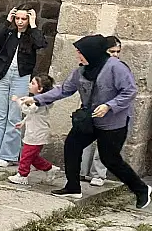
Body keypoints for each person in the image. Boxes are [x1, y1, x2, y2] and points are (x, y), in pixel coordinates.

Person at [23, 34, 150, 208]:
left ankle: (142, 190)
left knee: (110, 159)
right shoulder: (81, 70)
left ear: (91, 52)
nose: (77, 56)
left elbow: (129, 91)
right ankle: (73, 187)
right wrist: (37, 99)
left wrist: (109, 106)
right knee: (72, 145)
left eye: (79, 52)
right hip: (89, 120)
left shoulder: (116, 67)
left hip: (113, 122)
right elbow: (64, 90)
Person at [0, 6, 48, 167]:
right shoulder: (9, 33)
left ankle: (8, 155)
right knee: (0, 116)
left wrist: (33, 24)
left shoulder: (31, 36)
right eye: (17, 18)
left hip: (21, 77)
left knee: (14, 116)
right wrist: (7, 21)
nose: (20, 22)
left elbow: (41, 43)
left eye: (23, 19)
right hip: (3, 75)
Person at [82, 36, 124, 186]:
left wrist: (110, 105)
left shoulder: (120, 68)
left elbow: (125, 92)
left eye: (117, 52)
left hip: (110, 110)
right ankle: (83, 171)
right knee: (85, 138)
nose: (115, 55)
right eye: (111, 51)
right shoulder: (93, 66)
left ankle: (98, 174)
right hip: (92, 108)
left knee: (104, 145)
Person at [8, 74, 55, 186]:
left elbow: (28, 110)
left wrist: (18, 101)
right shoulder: (38, 101)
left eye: (33, 83)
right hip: (34, 132)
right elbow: (32, 115)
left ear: (40, 89)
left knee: (26, 155)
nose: (29, 84)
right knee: (32, 156)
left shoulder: (39, 103)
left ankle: (22, 175)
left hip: (37, 134)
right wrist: (23, 122)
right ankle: (49, 168)